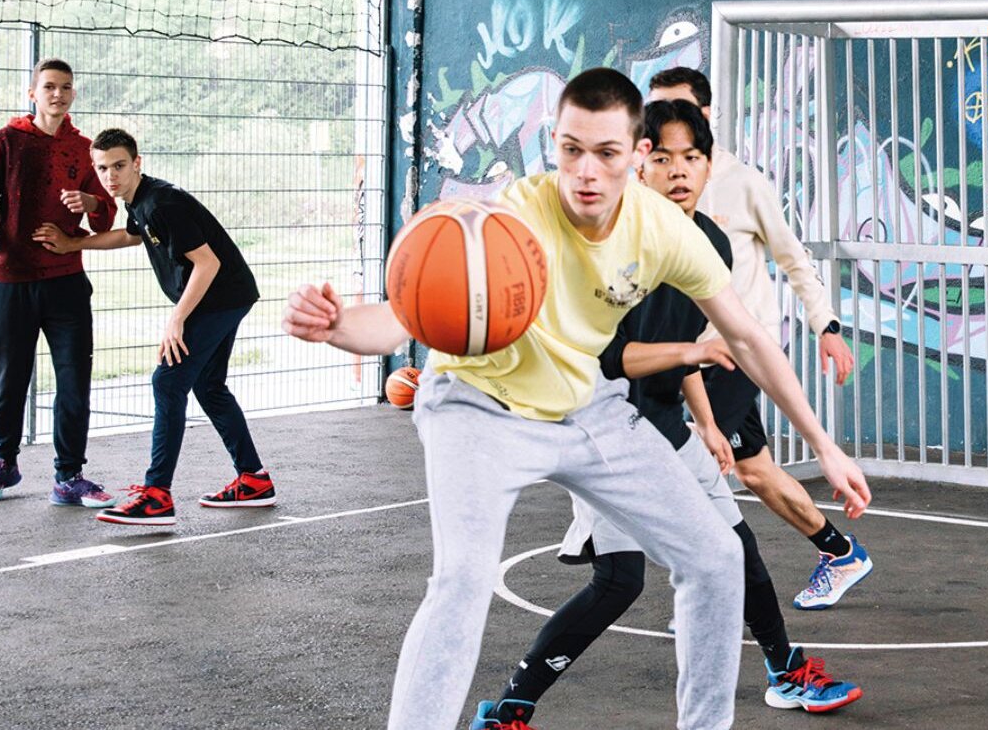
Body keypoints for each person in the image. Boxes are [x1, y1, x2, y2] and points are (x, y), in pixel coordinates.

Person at [283, 67, 870, 730]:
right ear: (555, 144)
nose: (586, 171)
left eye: (607, 153)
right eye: (570, 149)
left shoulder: (664, 231)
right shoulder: (513, 216)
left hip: (587, 409)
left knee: (716, 556)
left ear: (637, 155)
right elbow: (403, 314)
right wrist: (337, 326)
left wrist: (824, 445)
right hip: (478, 406)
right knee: (462, 580)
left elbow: (750, 336)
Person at [468, 99, 861, 730]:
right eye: (665, 157)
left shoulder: (705, 241)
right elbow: (616, 356)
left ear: (709, 168)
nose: (680, 171)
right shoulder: (613, 238)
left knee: (735, 546)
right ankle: (511, 706)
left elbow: (702, 342)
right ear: (641, 164)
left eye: (694, 158)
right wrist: (689, 356)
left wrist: (704, 420)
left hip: (665, 427)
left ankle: (786, 670)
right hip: (601, 429)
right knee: (620, 580)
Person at [648, 67, 873, 610]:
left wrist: (828, 327)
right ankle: (839, 551)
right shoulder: (647, 187)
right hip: (685, 356)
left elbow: (793, 259)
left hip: (740, 354)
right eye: (652, 118)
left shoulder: (742, 182)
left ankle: (715, 595)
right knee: (754, 469)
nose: (661, 130)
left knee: (689, 469)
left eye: (675, 112)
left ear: (703, 117)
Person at [34, 128, 273, 529]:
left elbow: (207, 263)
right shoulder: (140, 202)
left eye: (120, 166)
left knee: (168, 381)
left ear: (137, 164)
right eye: (103, 168)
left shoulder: (162, 202)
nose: (111, 176)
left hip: (220, 296)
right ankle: (253, 480)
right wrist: (74, 245)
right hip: (228, 295)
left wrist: (176, 318)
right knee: (208, 386)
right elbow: (131, 236)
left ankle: (157, 495)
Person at [0, 57, 114, 507]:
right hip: (12, 279)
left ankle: (69, 476)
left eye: (65, 87)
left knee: (73, 379)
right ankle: (3, 464)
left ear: (73, 94)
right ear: (33, 93)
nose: (57, 94)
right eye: (48, 87)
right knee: (9, 376)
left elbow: (106, 212)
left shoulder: (85, 149)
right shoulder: (8, 141)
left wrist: (89, 202)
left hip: (66, 281)